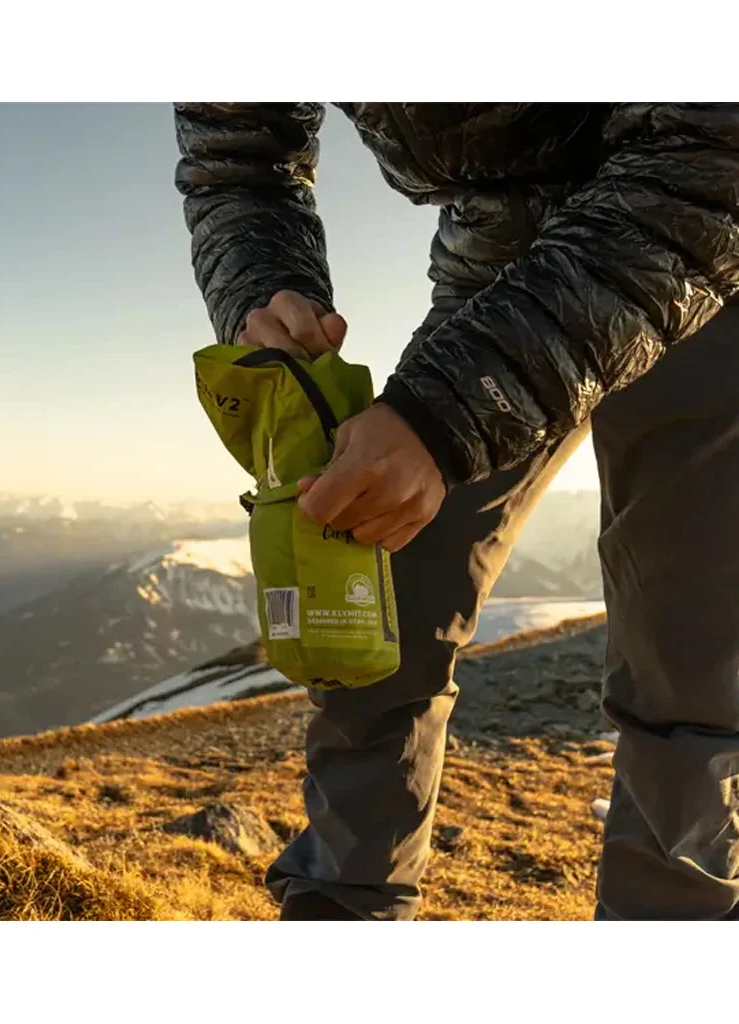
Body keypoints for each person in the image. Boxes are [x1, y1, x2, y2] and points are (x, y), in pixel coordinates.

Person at [173, 103, 739, 921]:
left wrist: (441, 418)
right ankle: (341, 911)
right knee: (373, 608)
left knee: (689, 667)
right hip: (498, 262)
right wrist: (266, 298)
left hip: (700, 248)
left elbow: (715, 146)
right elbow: (237, 159)